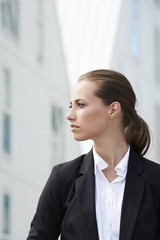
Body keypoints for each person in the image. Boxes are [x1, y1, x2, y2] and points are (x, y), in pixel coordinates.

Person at [27, 69, 160, 240]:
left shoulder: (156, 180)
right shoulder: (62, 178)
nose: (69, 115)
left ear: (113, 110)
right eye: (70, 105)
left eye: (80, 105)